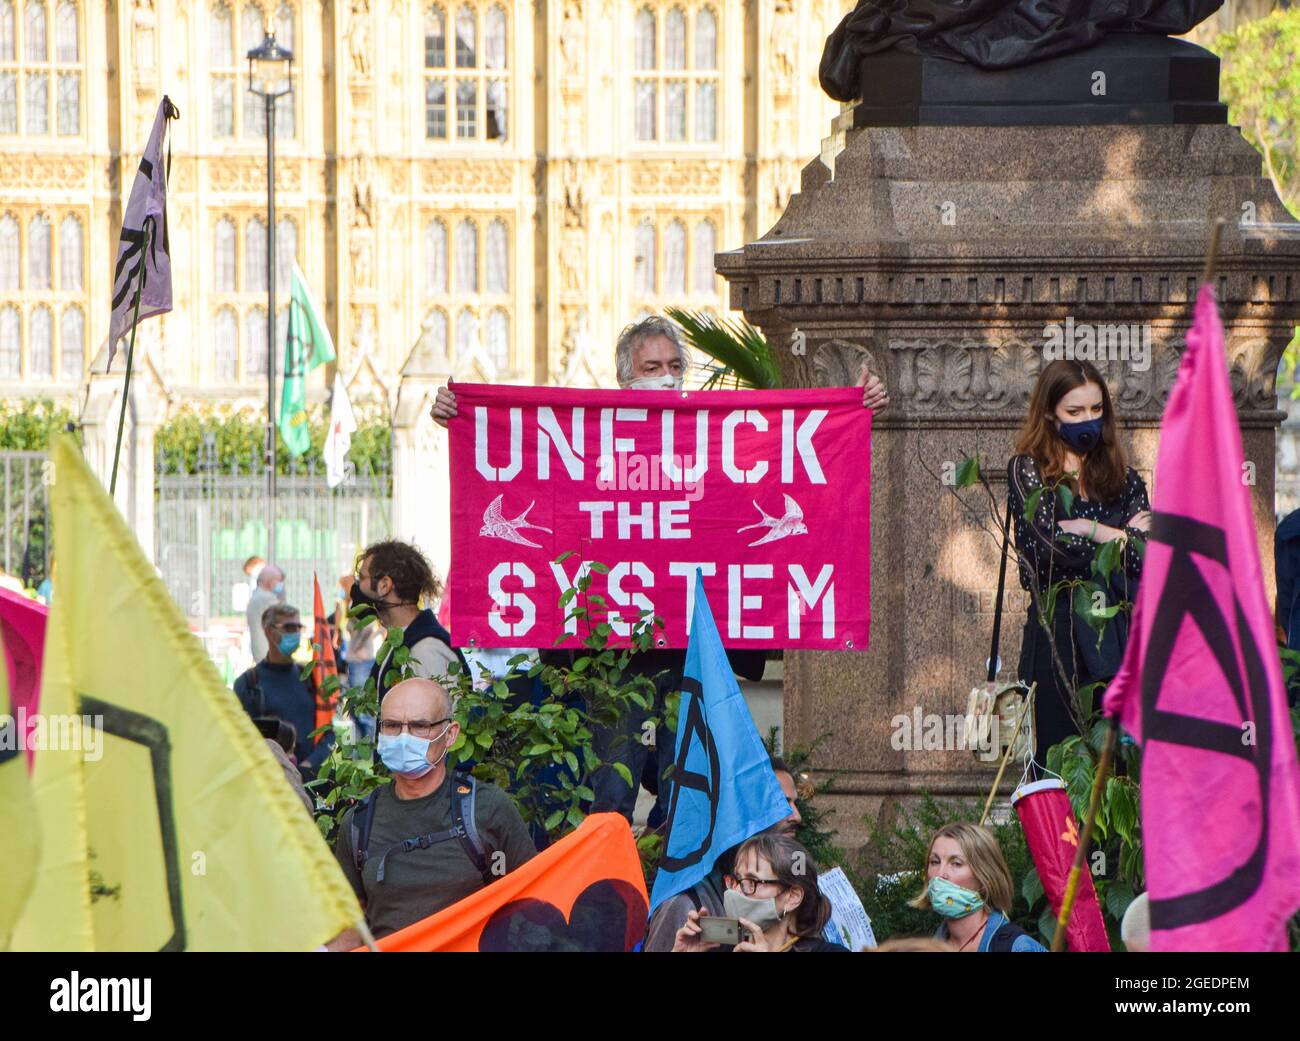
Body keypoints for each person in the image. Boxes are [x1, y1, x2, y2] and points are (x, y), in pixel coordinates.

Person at [428, 315, 889, 820]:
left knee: (690, 799)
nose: (666, 376)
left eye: (674, 366)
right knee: (608, 796)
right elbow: (529, 479)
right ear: (626, 381)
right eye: (652, 367)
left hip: (695, 658)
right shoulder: (586, 446)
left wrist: (854, 412)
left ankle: (684, 899)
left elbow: (788, 472)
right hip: (612, 668)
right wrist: (459, 415)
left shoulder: (716, 447)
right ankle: (607, 893)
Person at [1007, 359, 1151, 760]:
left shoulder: (1124, 478)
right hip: (1059, 637)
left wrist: (1092, 530)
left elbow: (1150, 558)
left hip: (1120, 639)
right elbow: (1048, 552)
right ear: (1050, 414)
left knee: (1118, 772)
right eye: (1074, 411)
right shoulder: (1029, 471)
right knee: (1058, 764)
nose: (1087, 420)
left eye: (1095, 409)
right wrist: (1124, 538)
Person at [327, 678, 537, 946]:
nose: (404, 737)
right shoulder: (358, 823)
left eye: (419, 726)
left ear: (450, 734)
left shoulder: (486, 809)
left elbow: (533, 901)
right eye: (392, 725)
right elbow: (352, 923)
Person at [643, 757, 804, 951]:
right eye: (782, 803)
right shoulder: (686, 907)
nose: (796, 816)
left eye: (795, 803)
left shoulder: (797, 902)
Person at [671, 833, 847, 952]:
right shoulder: (717, 946)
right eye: (736, 880)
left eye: (751, 881)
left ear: (792, 897)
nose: (737, 890)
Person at [352, 539, 465, 702]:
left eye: (361, 578)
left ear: (384, 585)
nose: (356, 587)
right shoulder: (400, 640)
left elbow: (443, 720)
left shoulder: (427, 649)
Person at [910, 822, 1045, 952]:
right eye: (935, 862)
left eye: (956, 863)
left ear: (984, 876)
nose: (939, 874)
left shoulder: (1019, 948)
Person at [234, 604, 334, 773]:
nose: (295, 633)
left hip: (309, 779)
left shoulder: (310, 678)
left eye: (298, 627)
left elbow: (328, 732)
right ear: (269, 632)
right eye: (288, 627)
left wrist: (306, 767)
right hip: (270, 779)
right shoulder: (248, 684)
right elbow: (240, 738)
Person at [246, 564, 285, 662]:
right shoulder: (268, 599)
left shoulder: (255, 597)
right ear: (270, 581)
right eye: (279, 580)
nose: (281, 584)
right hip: (270, 654)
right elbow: (283, 622)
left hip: (259, 653)